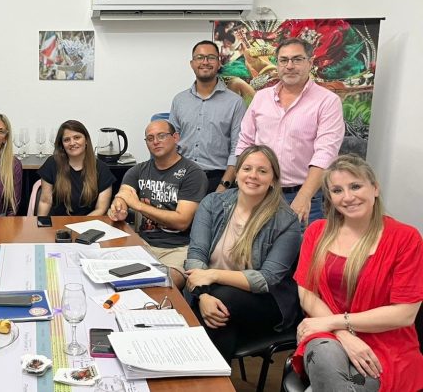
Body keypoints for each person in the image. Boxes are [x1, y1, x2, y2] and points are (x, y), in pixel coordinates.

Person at [292, 155, 423, 392]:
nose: (348, 197)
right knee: (324, 355)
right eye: (337, 190)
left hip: (385, 343)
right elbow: (307, 294)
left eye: (355, 186)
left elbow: (404, 314)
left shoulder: (406, 238)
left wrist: (333, 322)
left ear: (375, 188)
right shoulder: (316, 232)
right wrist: (343, 334)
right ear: (330, 197)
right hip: (328, 334)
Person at [184, 145, 301, 361]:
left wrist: (213, 275)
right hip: (212, 291)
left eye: (262, 171)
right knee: (219, 315)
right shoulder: (212, 203)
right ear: (237, 174)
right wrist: (203, 296)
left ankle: (198, 371)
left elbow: (267, 279)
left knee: (221, 302)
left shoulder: (287, 221)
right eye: (247, 169)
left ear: (273, 180)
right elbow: (196, 254)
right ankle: (214, 375)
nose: (253, 176)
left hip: (265, 300)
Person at [235, 37, 345, 225]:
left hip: (302, 195)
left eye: (297, 59)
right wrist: (243, 183)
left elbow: (326, 153)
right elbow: (245, 142)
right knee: (254, 243)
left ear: (310, 62)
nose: (290, 66)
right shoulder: (261, 97)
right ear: (277, 64)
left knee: (301, 244)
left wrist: (304, 196)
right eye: (284, 60)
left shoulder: (327, 101)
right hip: (259, 192)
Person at [108, 119, 207, 289]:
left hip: (177, 249)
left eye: (161, 136)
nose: (155, 141)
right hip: (142, 243)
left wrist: (138, 205)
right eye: (150, 138)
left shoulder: (193, 173)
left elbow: (181, 221)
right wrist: (118, 207)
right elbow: (123, 196)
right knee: (112, 276)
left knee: (163, 284)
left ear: (175, 138)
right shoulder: (137, 170)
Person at [169, 40, 246, 192]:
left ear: (219, 63)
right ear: (192, 64)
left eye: (211, 57)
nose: (205, 62)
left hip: (218, 180)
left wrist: (224, 185)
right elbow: (172, 143)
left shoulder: (235, 103)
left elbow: (238, 149)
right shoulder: (179, 100)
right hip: (181, 178)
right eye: (200, 57)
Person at [37, 120, 115, 217]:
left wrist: (80, 224)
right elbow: (45, 202)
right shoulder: (52, 163)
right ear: (62, 145)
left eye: (77, 137)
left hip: (89, 223)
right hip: (58, 224)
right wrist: (39, 225)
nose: (72, 143)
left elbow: (101, 209)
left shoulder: (102, 169)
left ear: (86, 140)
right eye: (67, 140)